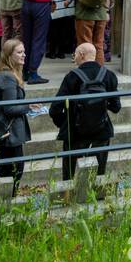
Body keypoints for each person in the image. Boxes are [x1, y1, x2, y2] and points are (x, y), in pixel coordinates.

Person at [50, 42, 121, 178]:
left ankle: (68, 195)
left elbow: (54, 109)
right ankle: (98, 194)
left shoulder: (72, 76)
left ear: (81, 55)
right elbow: (116, 107)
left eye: (75, 54)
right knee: (99, 173)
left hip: (75, 133)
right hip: (101, 130)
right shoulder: (109, 75)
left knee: (69, 171)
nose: (74, 57)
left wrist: (65, 122)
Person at [0, 39, 37, 199]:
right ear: (9, 55)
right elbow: (9, 108)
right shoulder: (7, 78)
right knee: (14, 169)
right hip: (8, 132)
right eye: (19, 52)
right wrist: (29, 107)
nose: (24, 55)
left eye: (24, 51)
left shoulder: (7, 74)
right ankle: (1, 201)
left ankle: (0, 201)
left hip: (8, 131)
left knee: (8, 169)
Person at [19, 0, 61, 84]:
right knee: (39, 39)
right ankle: (33, 73)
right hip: (41, 6)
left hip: (27, 5)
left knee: (27, 38)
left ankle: (24, 70)